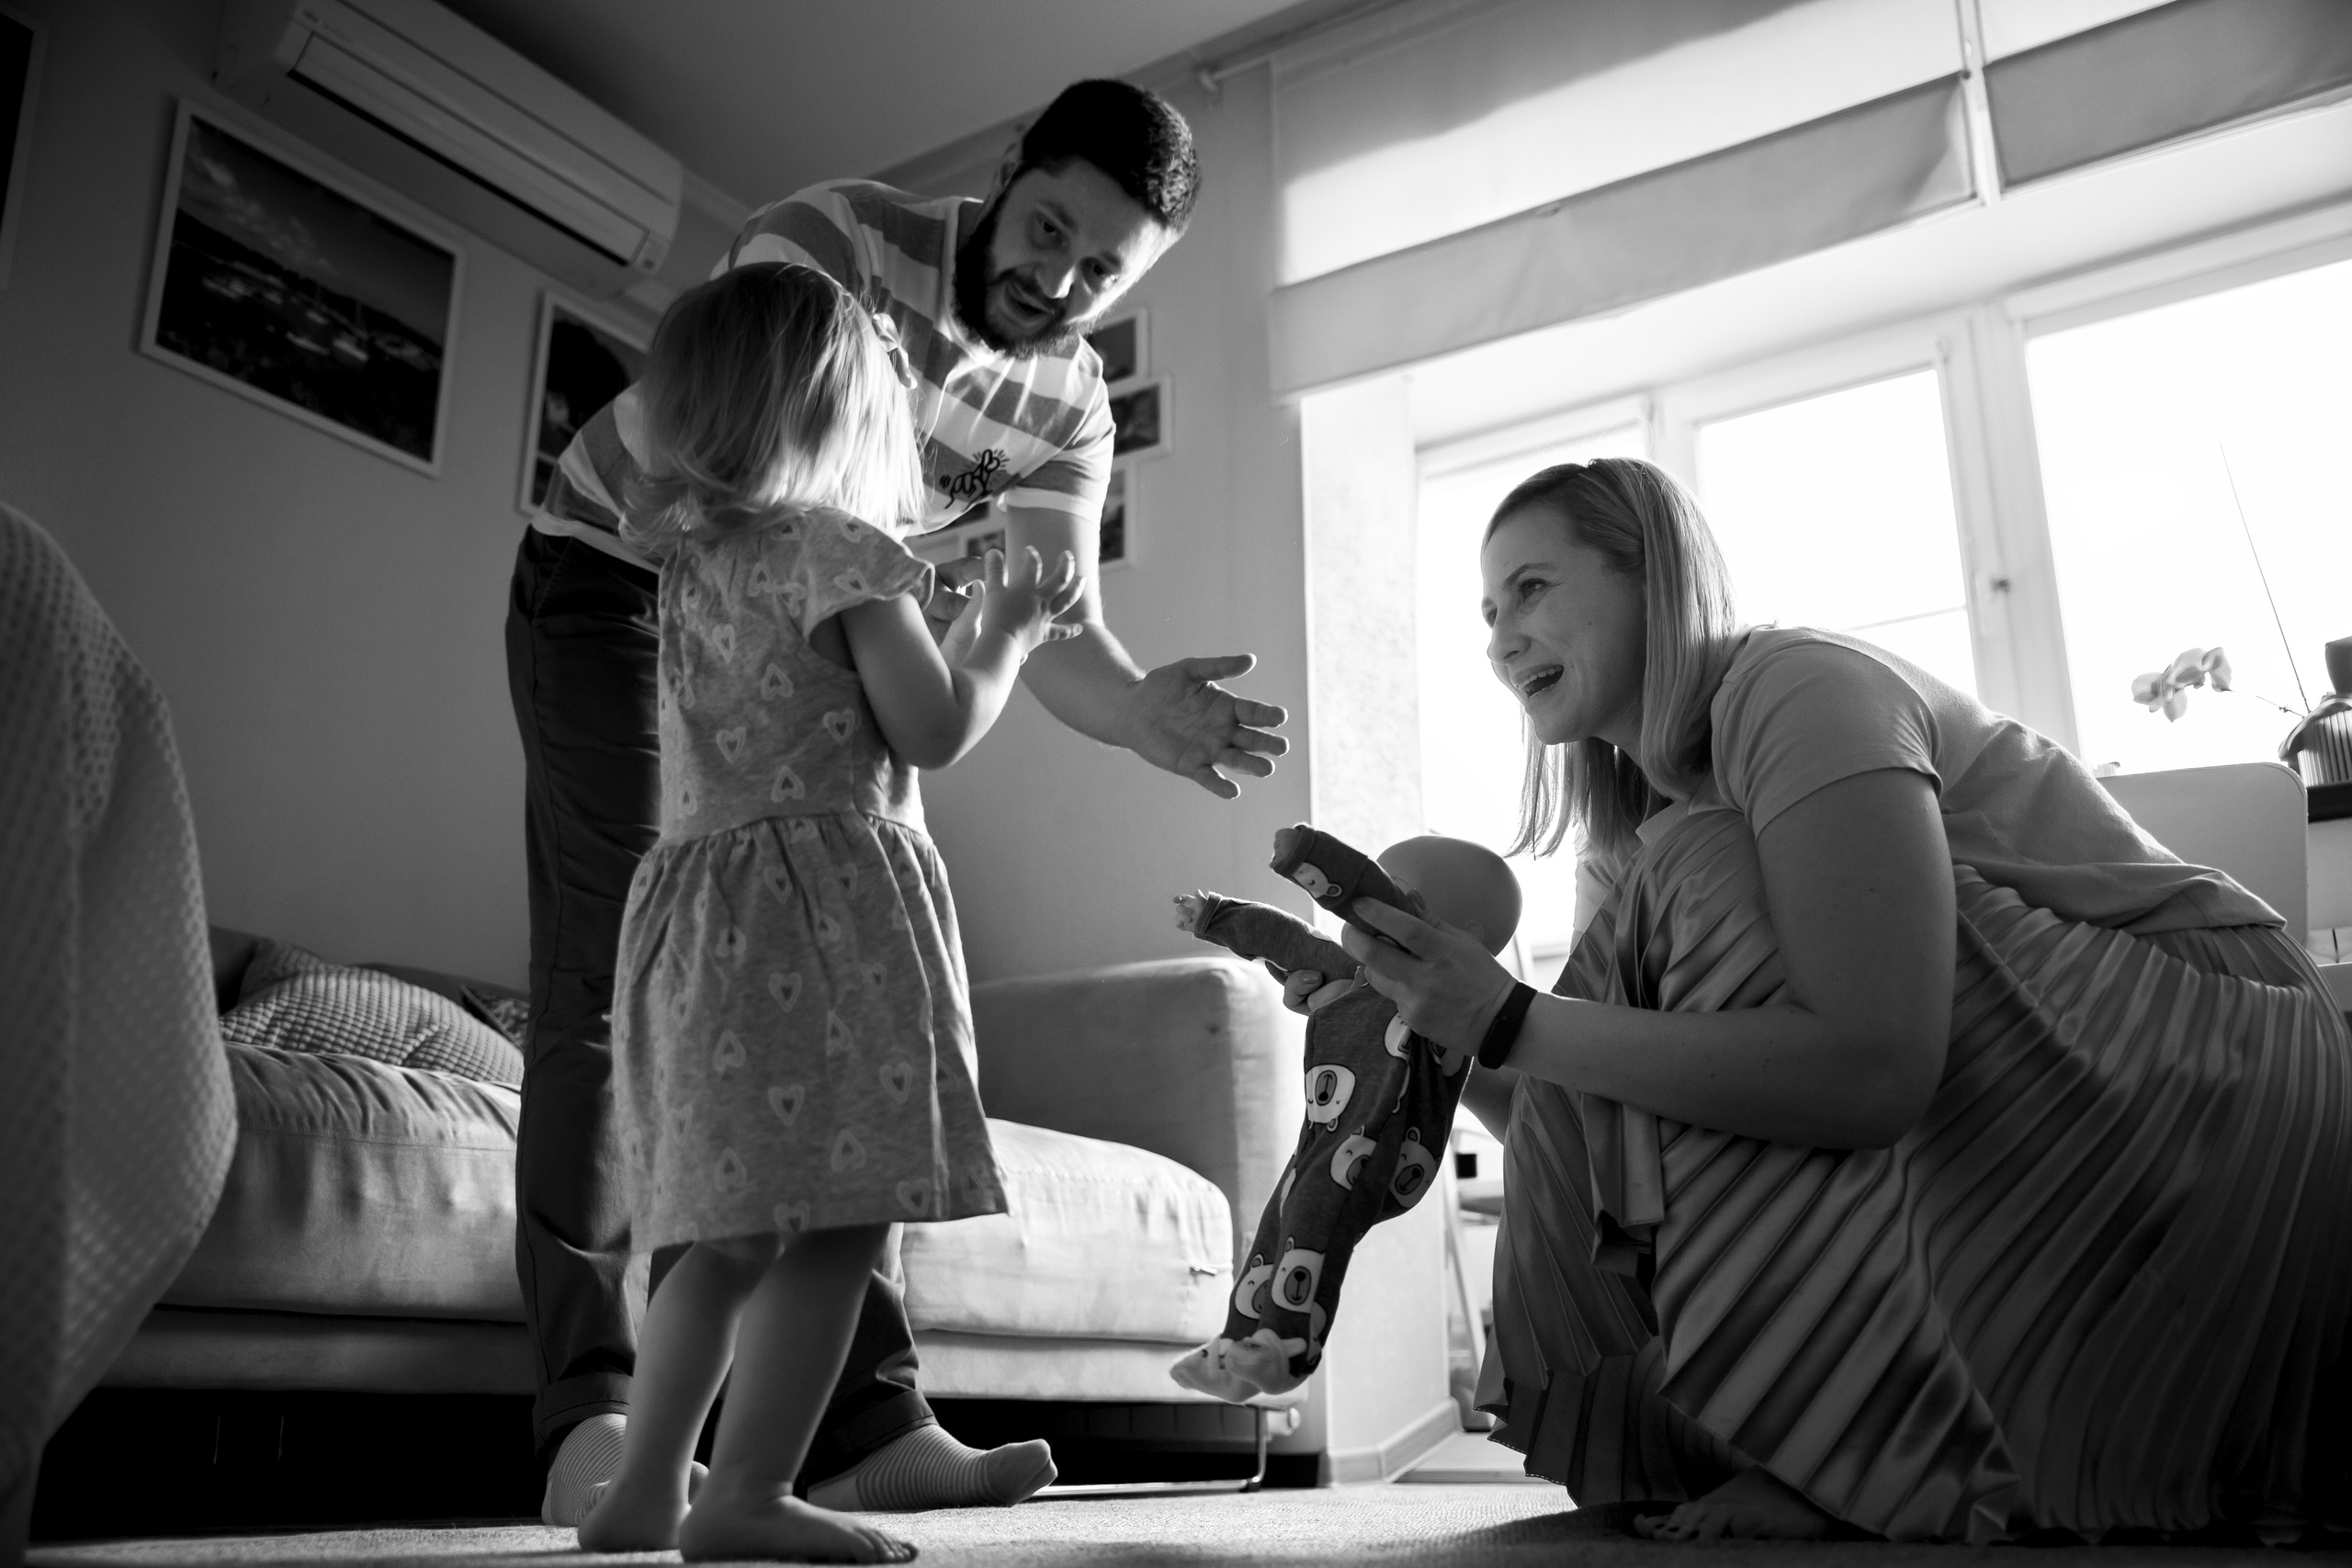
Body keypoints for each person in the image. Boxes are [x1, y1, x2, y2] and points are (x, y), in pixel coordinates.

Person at [1304, 457, 2352, 1544]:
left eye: (1530, 589)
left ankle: (1867, 1449)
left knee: (1701, 862)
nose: (1499, 642)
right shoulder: (1630, 834)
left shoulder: (1797, 690)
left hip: (2220, 1054)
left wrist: (1510, 1015)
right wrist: (1435, 1029)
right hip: (2047, 1084)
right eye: (1487, 614)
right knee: (1660, 939)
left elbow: (1872, 1068)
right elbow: (1589, 1122)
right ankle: (1847, 1440)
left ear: (1653, 578)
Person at [510, 80, 1287, 1523]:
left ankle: (863, 1426)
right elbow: (747, 457)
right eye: (1048, 229)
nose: (1060, 282)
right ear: (1009, 170)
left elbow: (1052, 612)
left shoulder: (1070, 404)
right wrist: (945, 619)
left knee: (826, 1027)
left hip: (817, 585)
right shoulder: (837, 240)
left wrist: (1138, 712)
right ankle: (598, 1416)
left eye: (1103, 271)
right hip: (627, 573)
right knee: (620, 977)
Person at [574, 262, 1083, 1562]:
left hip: (702, 918)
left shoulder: (691, 569)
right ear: (846, 415)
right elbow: (933, 726)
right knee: (841, 1223)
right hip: (824, 921)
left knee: (724, 1235)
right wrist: (1008, 632)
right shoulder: (843, 549)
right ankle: (745, 1492)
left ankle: (649, 1485)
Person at [1165, 828, 1520, 1402]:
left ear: (1467, 939)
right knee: (1278, 1224)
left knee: (1313, 1221)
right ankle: (1234, 1350)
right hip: (1326, 1138)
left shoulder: (1459, 1006)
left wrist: (1307, 856)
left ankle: (1289, 1349)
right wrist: (1215, 916)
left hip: (1384, 1145)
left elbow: (1351, 890)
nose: (1365, 910)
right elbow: (1289, 940)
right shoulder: (1360, 975)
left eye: (1395, 895)